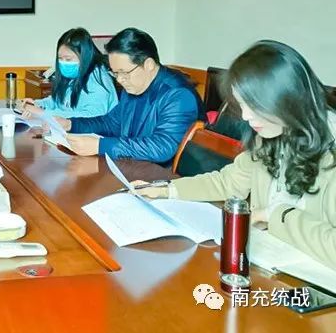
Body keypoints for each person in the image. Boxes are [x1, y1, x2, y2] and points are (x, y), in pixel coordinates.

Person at [135, 41, 336, 269]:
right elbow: (229, 182)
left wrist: (276, 216)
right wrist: (167, 190)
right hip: (270, 264)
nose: (246, 116)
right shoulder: (270, 136)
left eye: (255, 105)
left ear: (288, 98)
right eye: (242, 105)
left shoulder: (330, 151)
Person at [57, 28, 204, 165]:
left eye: (124, 72)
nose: (120, 80)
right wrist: (71, 124)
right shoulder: (134, 86)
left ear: (149, 64)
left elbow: (162, 147)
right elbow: (111, 123)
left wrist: (101, 146)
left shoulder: (178, 95)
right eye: (115, 73)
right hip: (134, 166)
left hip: (166, 176)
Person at [20, 28, 118, 119]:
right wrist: (38, 104)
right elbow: (58, 101)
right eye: (60, 58)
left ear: (84, 57)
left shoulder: (99, 80)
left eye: (68, 59)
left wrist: (43, 113)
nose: (63, 63)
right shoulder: (74, 75)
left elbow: (91, 118)